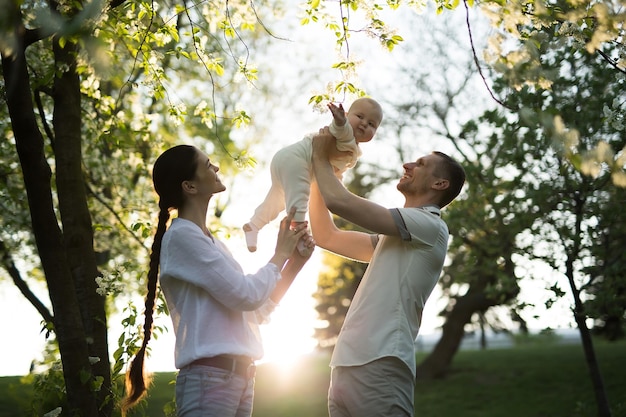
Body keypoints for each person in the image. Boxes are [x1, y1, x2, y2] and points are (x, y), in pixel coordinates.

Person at [121, 144, 315, 417]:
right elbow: (245, 295)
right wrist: (280, 254)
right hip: (209, 380)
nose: (216, 167)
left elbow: (254, 311)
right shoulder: (182, 238)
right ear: (189, 186)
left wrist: (295, 263)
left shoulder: (210, 242)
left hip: (240, 378)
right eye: (207, 164)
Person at [309, 128, 466, 417]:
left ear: (440, 183)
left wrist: (320, 157)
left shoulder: (430, 226)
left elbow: (340, 202)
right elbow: (326, 236)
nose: (407, 165)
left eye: (420, 164)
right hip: (345, 366)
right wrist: (322, 173)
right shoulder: (390, 239)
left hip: (381, 363)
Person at [243, 97, 383, 253]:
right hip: (296, 161)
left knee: (278, 201)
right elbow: (339, 129)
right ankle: (299, 234)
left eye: (371, 124)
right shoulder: (346, 133)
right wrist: (340, 120)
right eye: (360, 116)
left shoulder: (354, 150)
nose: (364, 123)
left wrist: (337, 188)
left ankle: (253, 225)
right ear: (347, 114)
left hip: (285, 161)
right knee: (299, 198)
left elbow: (335, 175)